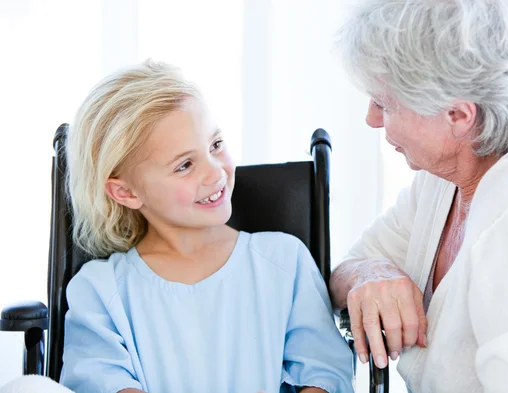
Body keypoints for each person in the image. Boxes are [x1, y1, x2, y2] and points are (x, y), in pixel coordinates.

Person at [1, 60, 353, 393]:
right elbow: (102, 381)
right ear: (125, 191)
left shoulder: (284, 261)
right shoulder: (100, 289)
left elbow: (327, 374)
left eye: (215, 144)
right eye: (184, 165)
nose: (215, 172)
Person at [329, 0, 508, 392]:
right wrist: (372, 274)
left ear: (458, 115)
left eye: (385, 104)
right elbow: (345, 270)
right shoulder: (447, 175)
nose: (371, 119)